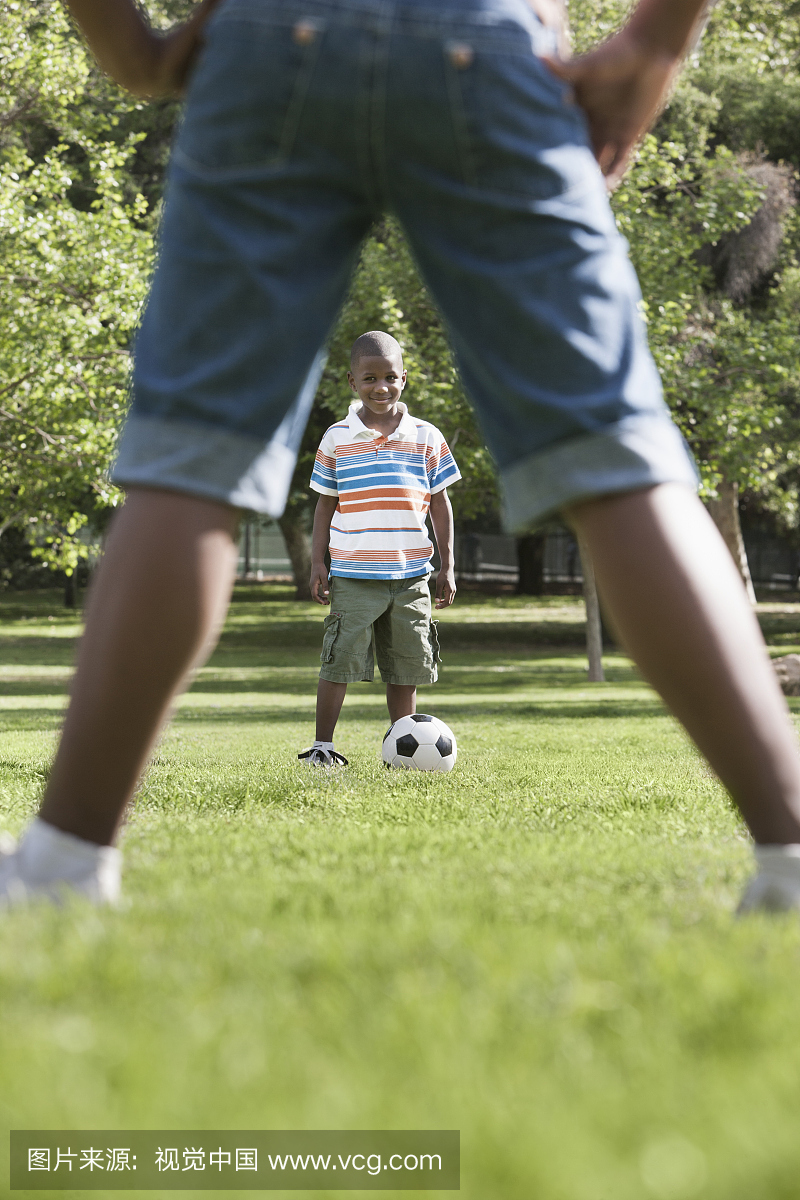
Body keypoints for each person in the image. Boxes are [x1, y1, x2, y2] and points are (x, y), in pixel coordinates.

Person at [2, 0, 799, 913]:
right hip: (490, 43)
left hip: (269, 42)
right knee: (614, 452)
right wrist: (659, 37)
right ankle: (791, 849)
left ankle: (63, 865)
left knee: (194, 458)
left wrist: (124, 47)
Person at [299, 331, 460, 767]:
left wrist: (446, 566)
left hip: (412, 576)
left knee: (405, 667)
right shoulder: (337, 437)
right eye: (370, 378)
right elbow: (324, 505)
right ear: (353, 382)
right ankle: (322, 747)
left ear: (404, 379)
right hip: (353, 574)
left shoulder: (426, 436)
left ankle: (404, 751)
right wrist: (318, 561)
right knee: (339, 660)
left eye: (390, 377)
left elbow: (441, 505)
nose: (381, 387)